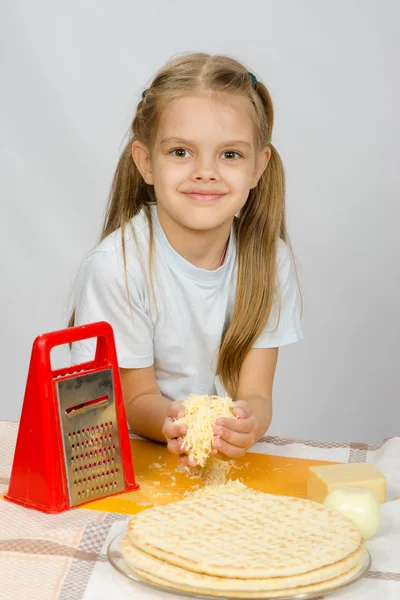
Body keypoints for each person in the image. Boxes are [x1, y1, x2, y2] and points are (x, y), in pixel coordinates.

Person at [70, 52, 303, 467]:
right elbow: (137, 399)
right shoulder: (116, 267)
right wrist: (172, 421)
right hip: (126, 458)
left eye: (230, 155)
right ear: (146, 163)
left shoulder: (269, 261)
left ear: (257, 167)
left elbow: (257, 395)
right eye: (181, 152)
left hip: (209, 462)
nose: (205, 172)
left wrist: (248, 422)